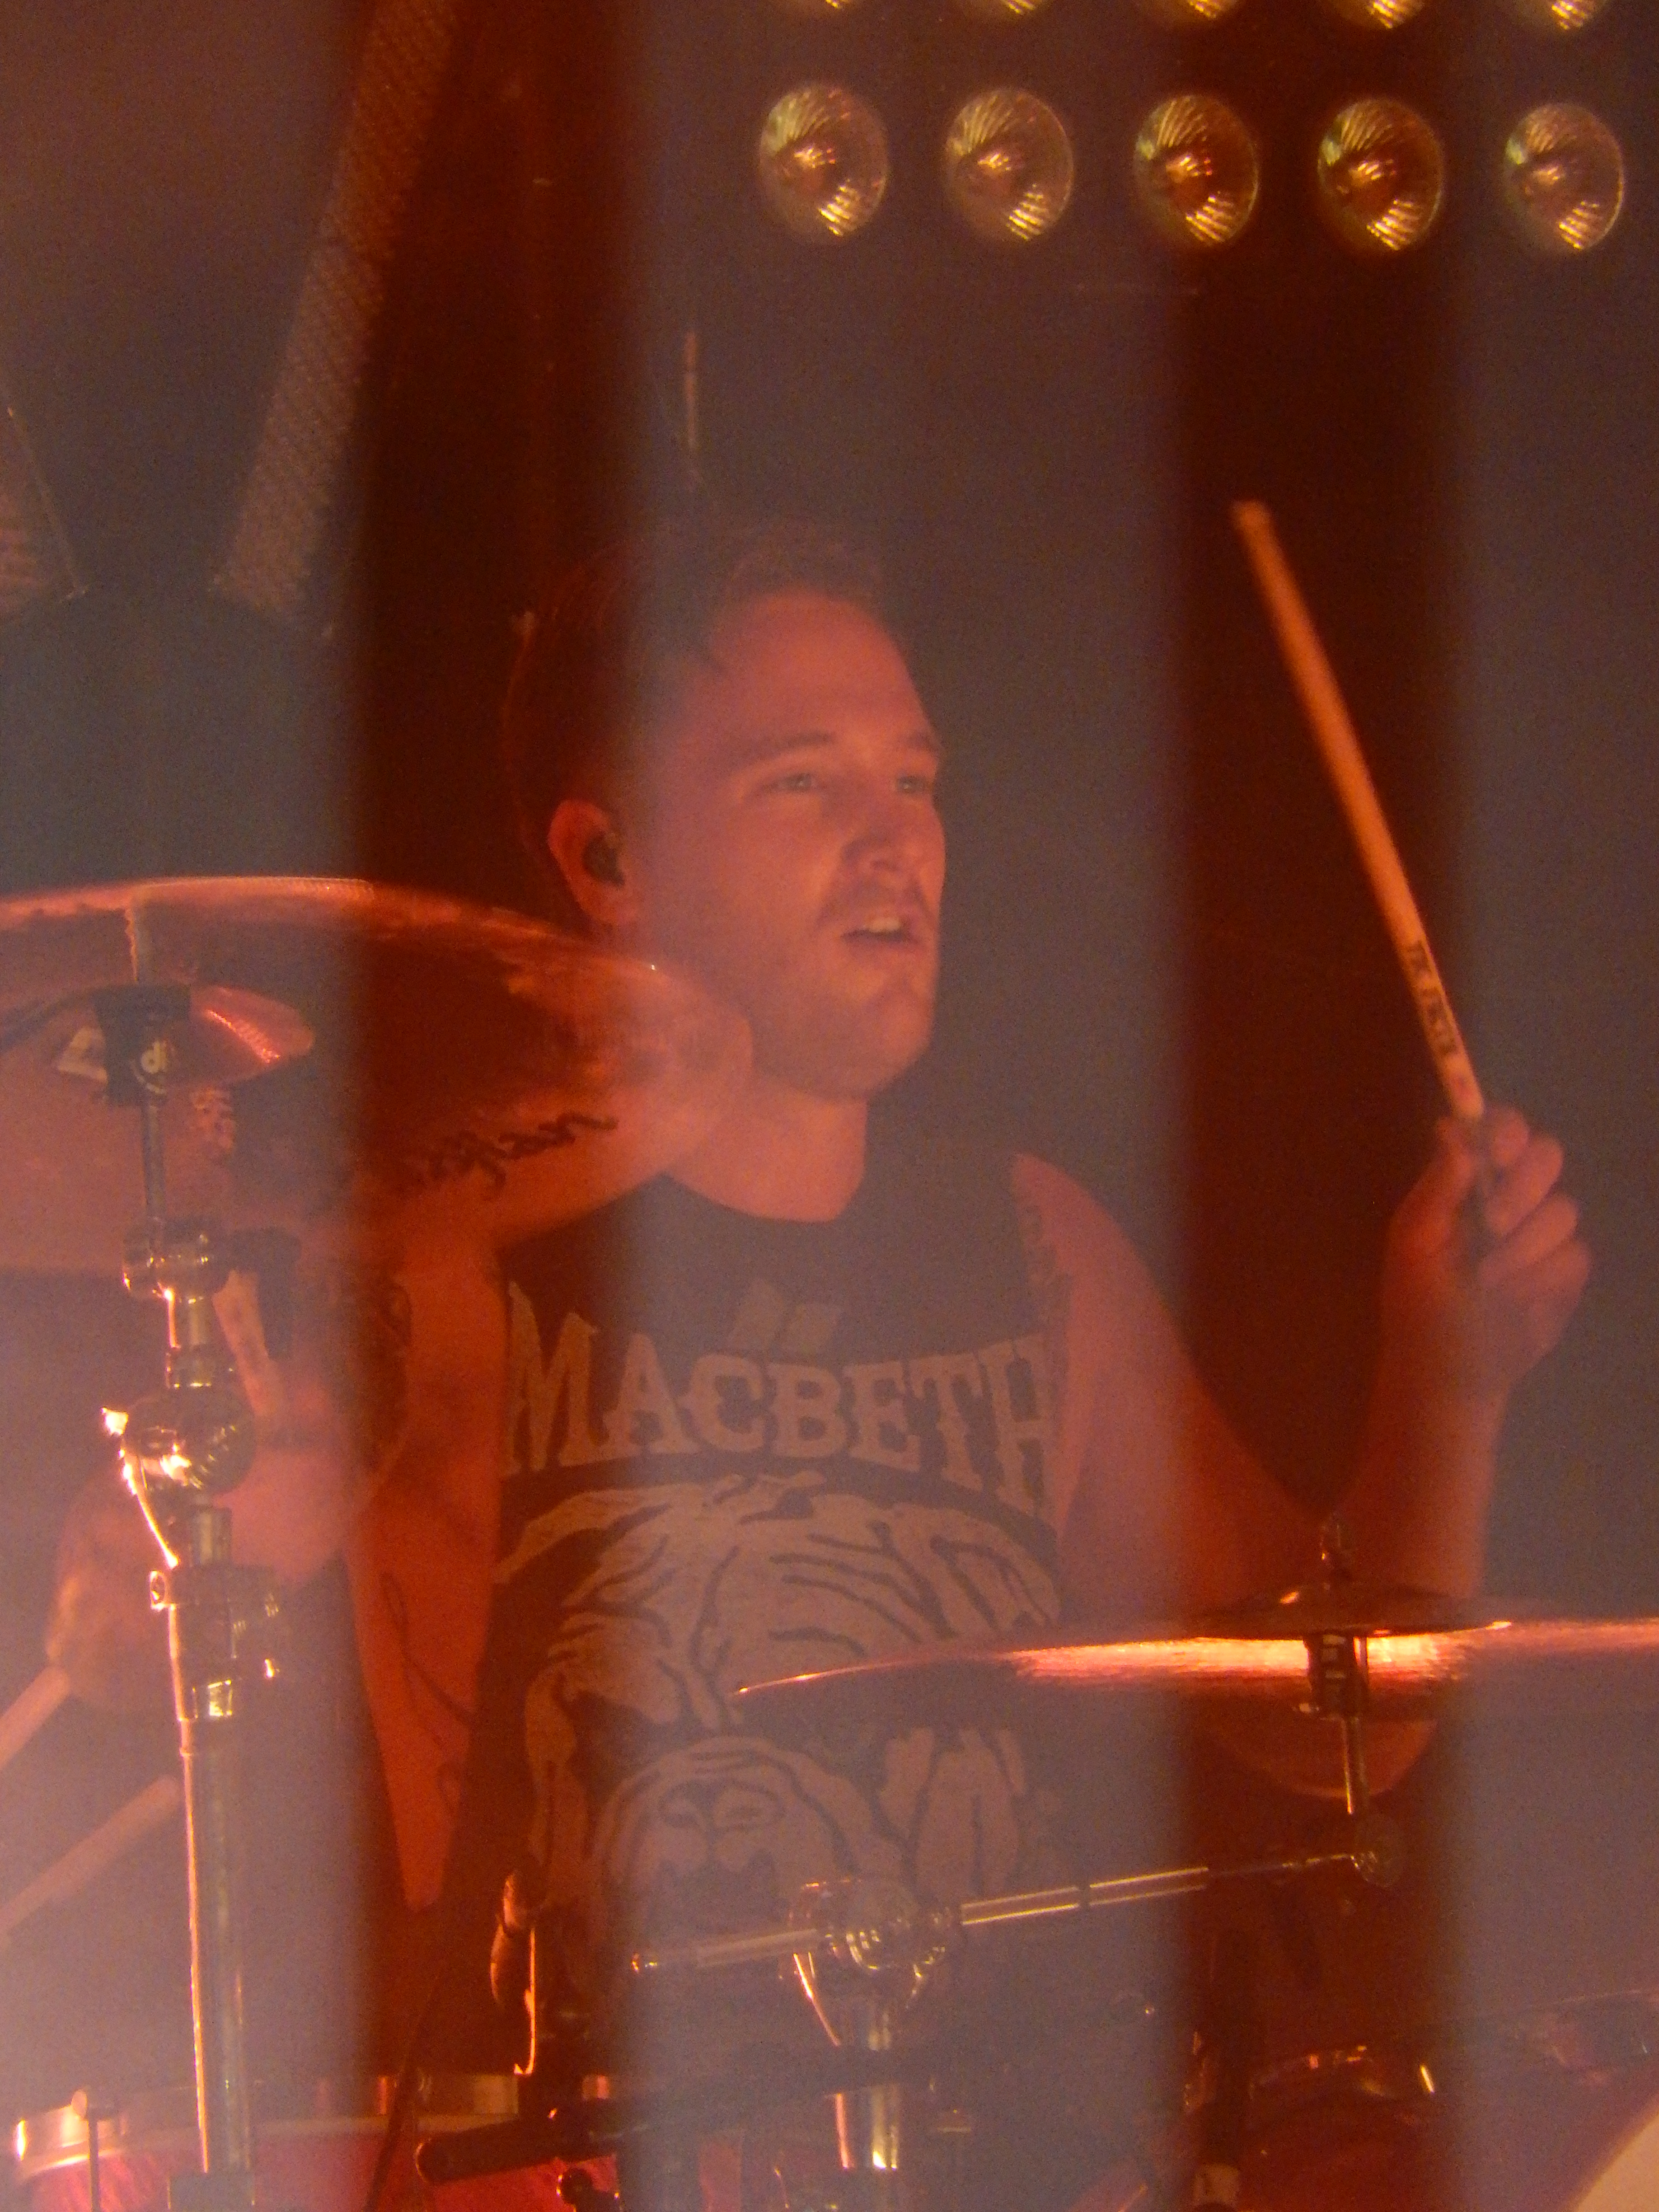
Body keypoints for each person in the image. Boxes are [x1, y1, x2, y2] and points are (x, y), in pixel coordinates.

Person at [47, 512, 1589, 2097]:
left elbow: (1333, 1728)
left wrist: (1451, 1385)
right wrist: (144, 1567)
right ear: (608, 863)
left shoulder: (1036, 1246)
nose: (893, 841)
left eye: (914, 782)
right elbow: (142, 1634)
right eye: (803, 782)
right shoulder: (442, 1262)